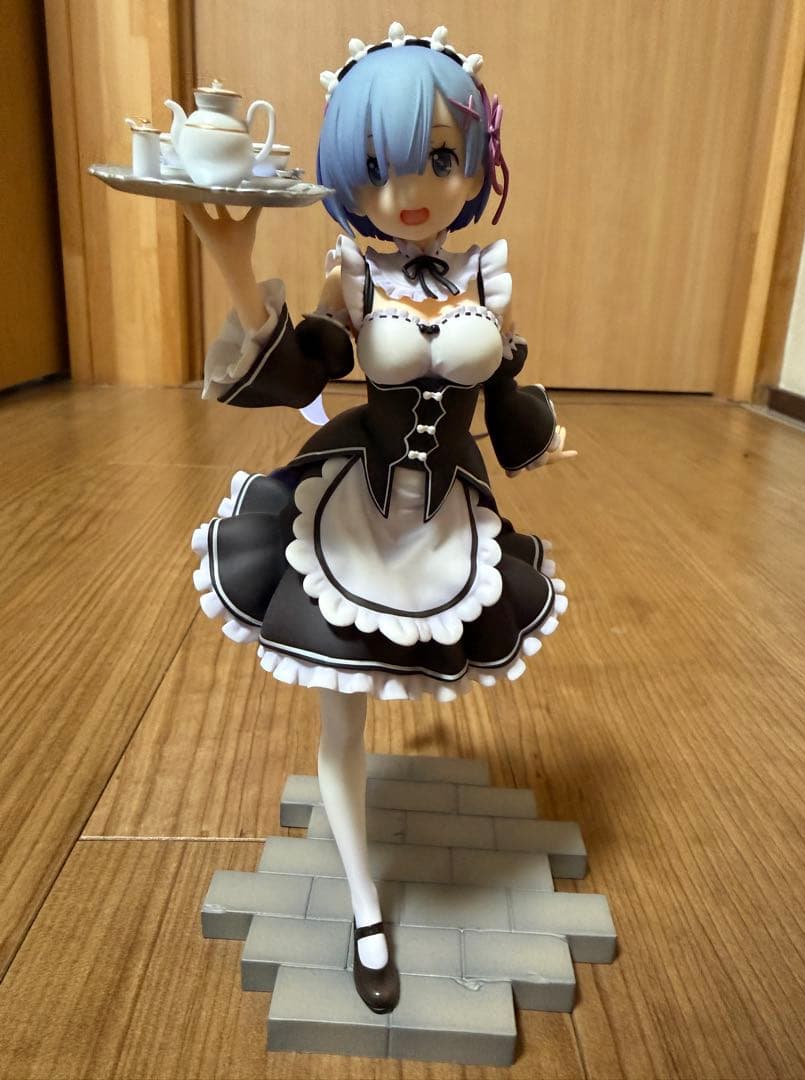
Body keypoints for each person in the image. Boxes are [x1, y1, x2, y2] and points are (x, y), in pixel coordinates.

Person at [186, 22, 576, 1015]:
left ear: (477, 161)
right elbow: (301, 368)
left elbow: (506, 392)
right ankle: (365, 908)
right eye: (375, 165)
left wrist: (540, 437)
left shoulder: (487, 276)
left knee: (407, 672)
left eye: (439, 159)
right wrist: (233, 262)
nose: (409, 190)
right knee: (342, 710)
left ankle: (371, 886)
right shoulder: (354, 275)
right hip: (352, 513)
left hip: (443, 519)